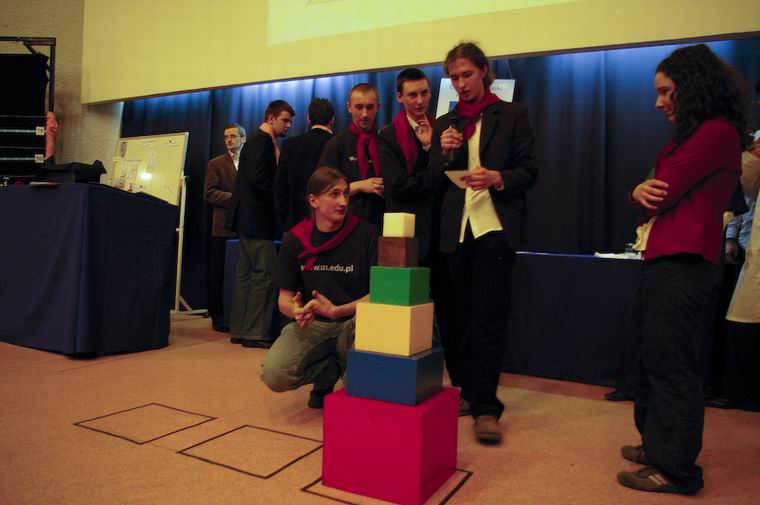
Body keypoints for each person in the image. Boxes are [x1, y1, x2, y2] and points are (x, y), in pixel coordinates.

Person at [617, 44, 747, 495]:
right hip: (669, 258)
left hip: (686, 261)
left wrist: (640, 192)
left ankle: (676, 469)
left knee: (673, 365)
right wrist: (637, 192)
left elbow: (661, 191)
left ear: (690, 87)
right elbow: (647, 194)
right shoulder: (695, 135)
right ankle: (658, 446)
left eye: (665, 91)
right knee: (653, 357)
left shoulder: (715, 132)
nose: (658, 102)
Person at [430, 42, 538, 444]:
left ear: (484, 71)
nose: (460, 84)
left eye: (466, 75)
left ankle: (486, 407)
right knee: (457, 318)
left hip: (493, 227)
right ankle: (467, 389)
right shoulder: (445, 123)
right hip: (455, 231)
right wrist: (443, 155)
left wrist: (498, 177)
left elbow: (530, 170)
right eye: (454, 78)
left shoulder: (512, 115)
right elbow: (434, 179)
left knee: (487, 320)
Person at [261, 166, 378, 408]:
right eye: (334, 194)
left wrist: (338, 310)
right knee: (274, 374)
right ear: (313, 201)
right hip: (314, 325)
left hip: (356, 322)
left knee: (357, 391)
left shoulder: (366, 234)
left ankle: (352, 375)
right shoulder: (295, 239)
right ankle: (327, 372)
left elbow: (380, 294)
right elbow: (284, 299)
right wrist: (296, 311)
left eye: (345, 193)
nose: (343, 202)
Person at [377, 67, 457, 400]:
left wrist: (430, 155)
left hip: (442, 234)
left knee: (447, 310)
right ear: (400, 97)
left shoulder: (443, 130)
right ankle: (416, 381)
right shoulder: (387, 135)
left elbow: (448, 181)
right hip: (407, 238)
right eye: (412, 94)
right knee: (411, 314)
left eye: (424, 93)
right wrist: (429, 155)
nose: (420, 100)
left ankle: (448, 377)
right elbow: (399, 187)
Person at [226, 100, 294, 347]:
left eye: (290, 121)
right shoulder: (262, 141)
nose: (288, 125)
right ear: (271, 118)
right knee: (264, 275)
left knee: (245, 276)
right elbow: (258, 179)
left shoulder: (257, 140)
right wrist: (279, 196)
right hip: (257, 220)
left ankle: (240, 330)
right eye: (285, 120)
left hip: (247, 220)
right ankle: (255, 333)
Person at [318, 83, 385, 230]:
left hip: (382, 225)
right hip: (346, 226)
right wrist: (360, 186)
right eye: (359, 107)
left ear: (378, 107)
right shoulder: (336, 145)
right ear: (349, 107)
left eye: (370, 107)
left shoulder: (385, 143)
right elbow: (323, 189)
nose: (365, 114)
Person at [204, 123, 246, 333]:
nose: (229, 140)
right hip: (223, 228)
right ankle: (218, 317)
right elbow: (209, 193)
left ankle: (239, 316)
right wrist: (235, 199)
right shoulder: (216, 163)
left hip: (245, 227)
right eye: (226, 137)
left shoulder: (250, 162)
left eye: (233, 136)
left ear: (243, 139)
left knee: (240, 275)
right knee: (219, 275)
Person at [275, 98, 335, 231]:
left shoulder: (289, 145)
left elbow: (280, 188)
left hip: (295, 225)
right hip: (328, 224)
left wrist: (286, 222)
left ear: (308, 119)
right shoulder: (337, 144)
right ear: (332, 120)